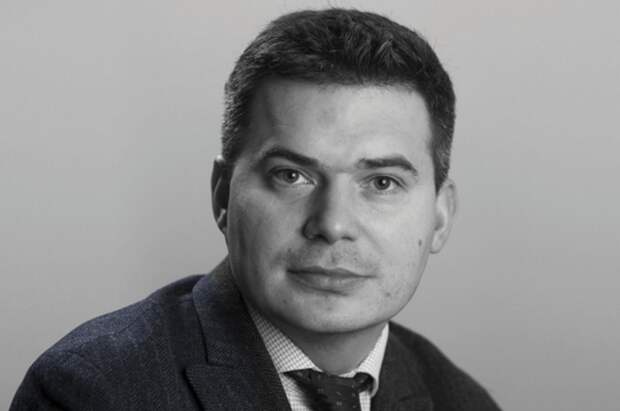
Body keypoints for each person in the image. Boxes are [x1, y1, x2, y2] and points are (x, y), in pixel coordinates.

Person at [11, 8, 501, 411]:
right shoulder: (92, 391)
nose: (332, 224)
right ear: (222, 195)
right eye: (292, 175)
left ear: (440, 215)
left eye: (382, 183)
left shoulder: (462, 401)